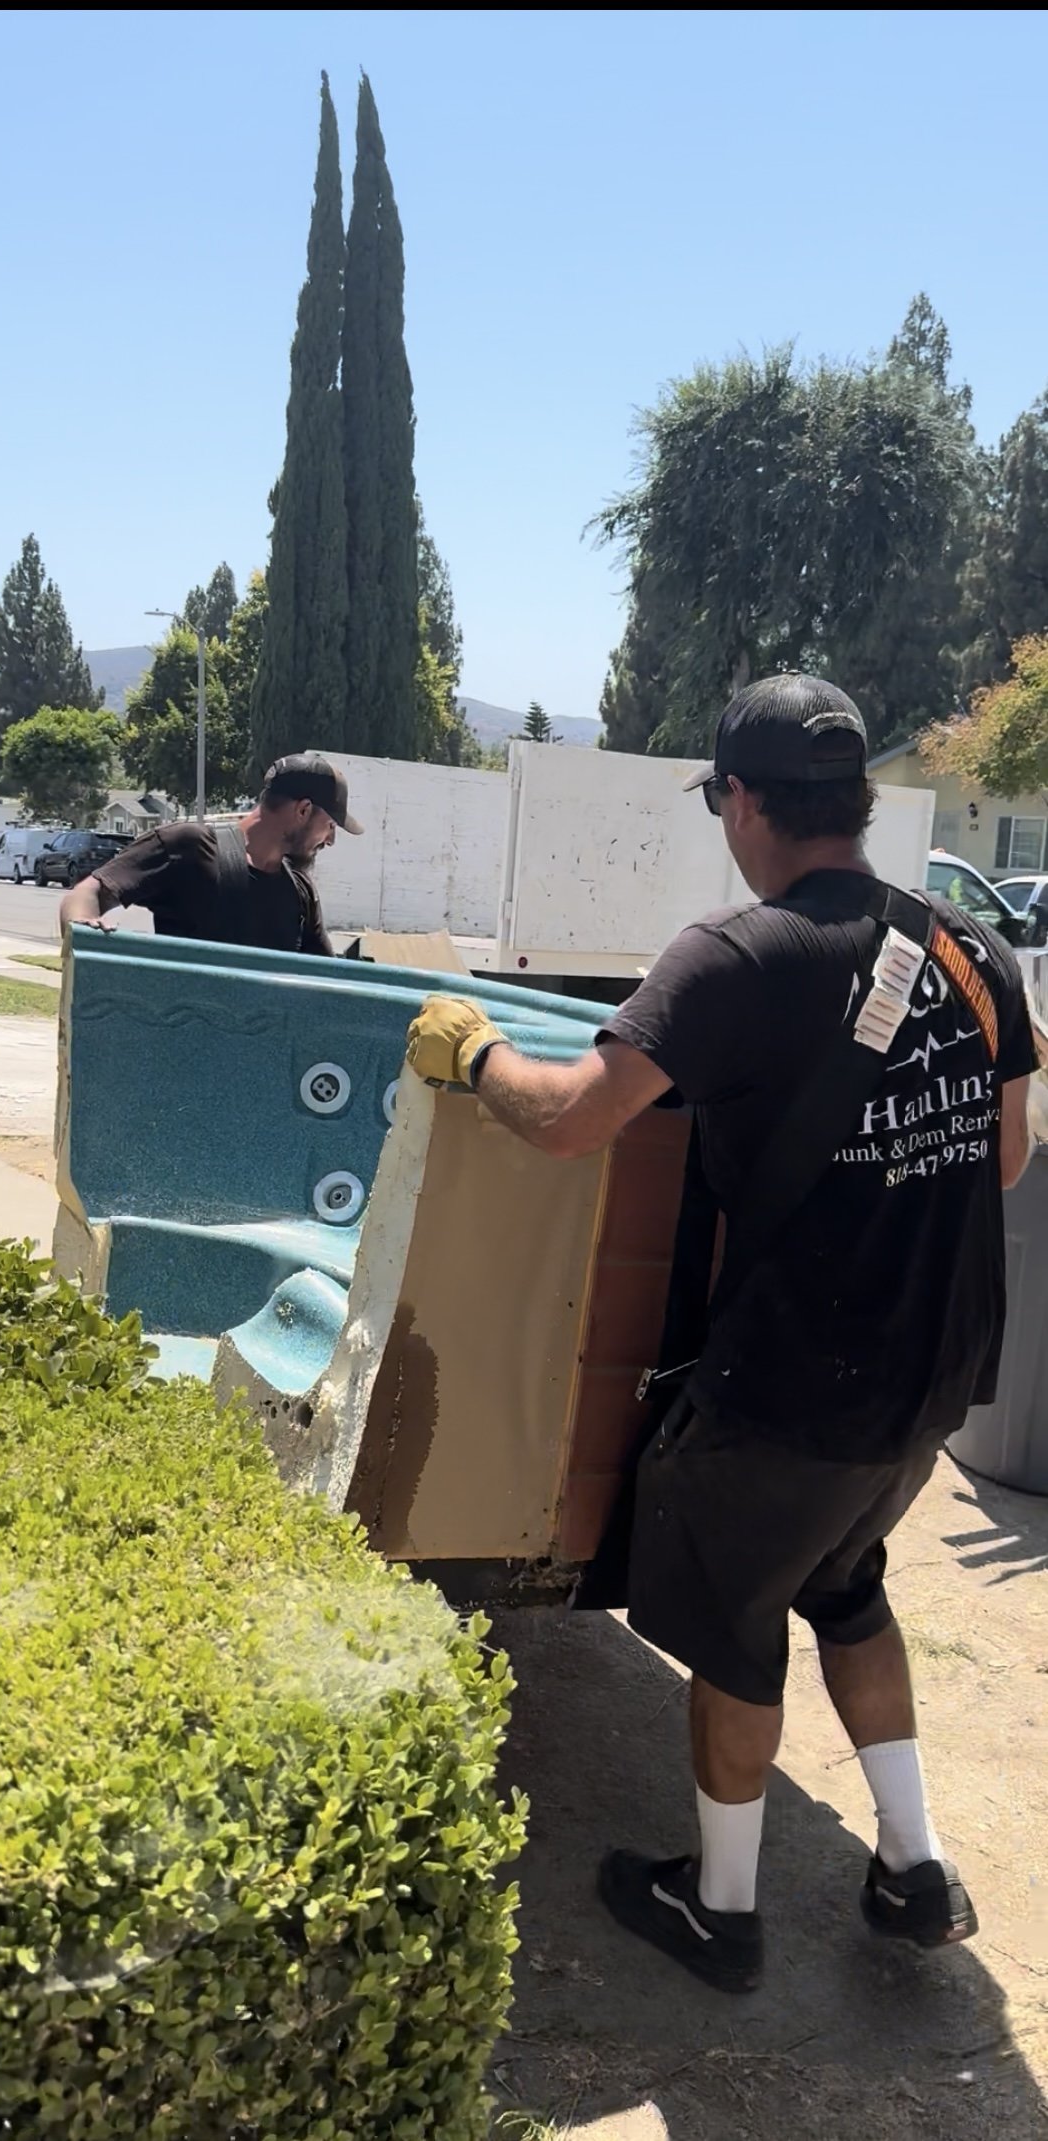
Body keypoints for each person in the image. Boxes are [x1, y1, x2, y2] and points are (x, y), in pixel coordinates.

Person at [405, 674, 1036, 1995]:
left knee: (738, 1625)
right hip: (930, 1382)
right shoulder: (973, 953)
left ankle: (722, 1909)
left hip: (796, 1379)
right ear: (854, 802)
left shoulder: (734, 956)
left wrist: (470, 1057)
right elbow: (1007, 1160)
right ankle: (912, 1867)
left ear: (743, 803)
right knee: (845, 1581)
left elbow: (576, 1114)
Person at [58, 753, 362, 952]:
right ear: (304, 810)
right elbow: (87, 894)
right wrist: (83, 932)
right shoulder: (187, 846)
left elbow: (325, 981)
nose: (330, 840)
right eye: (330, 825)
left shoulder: (300, 893)